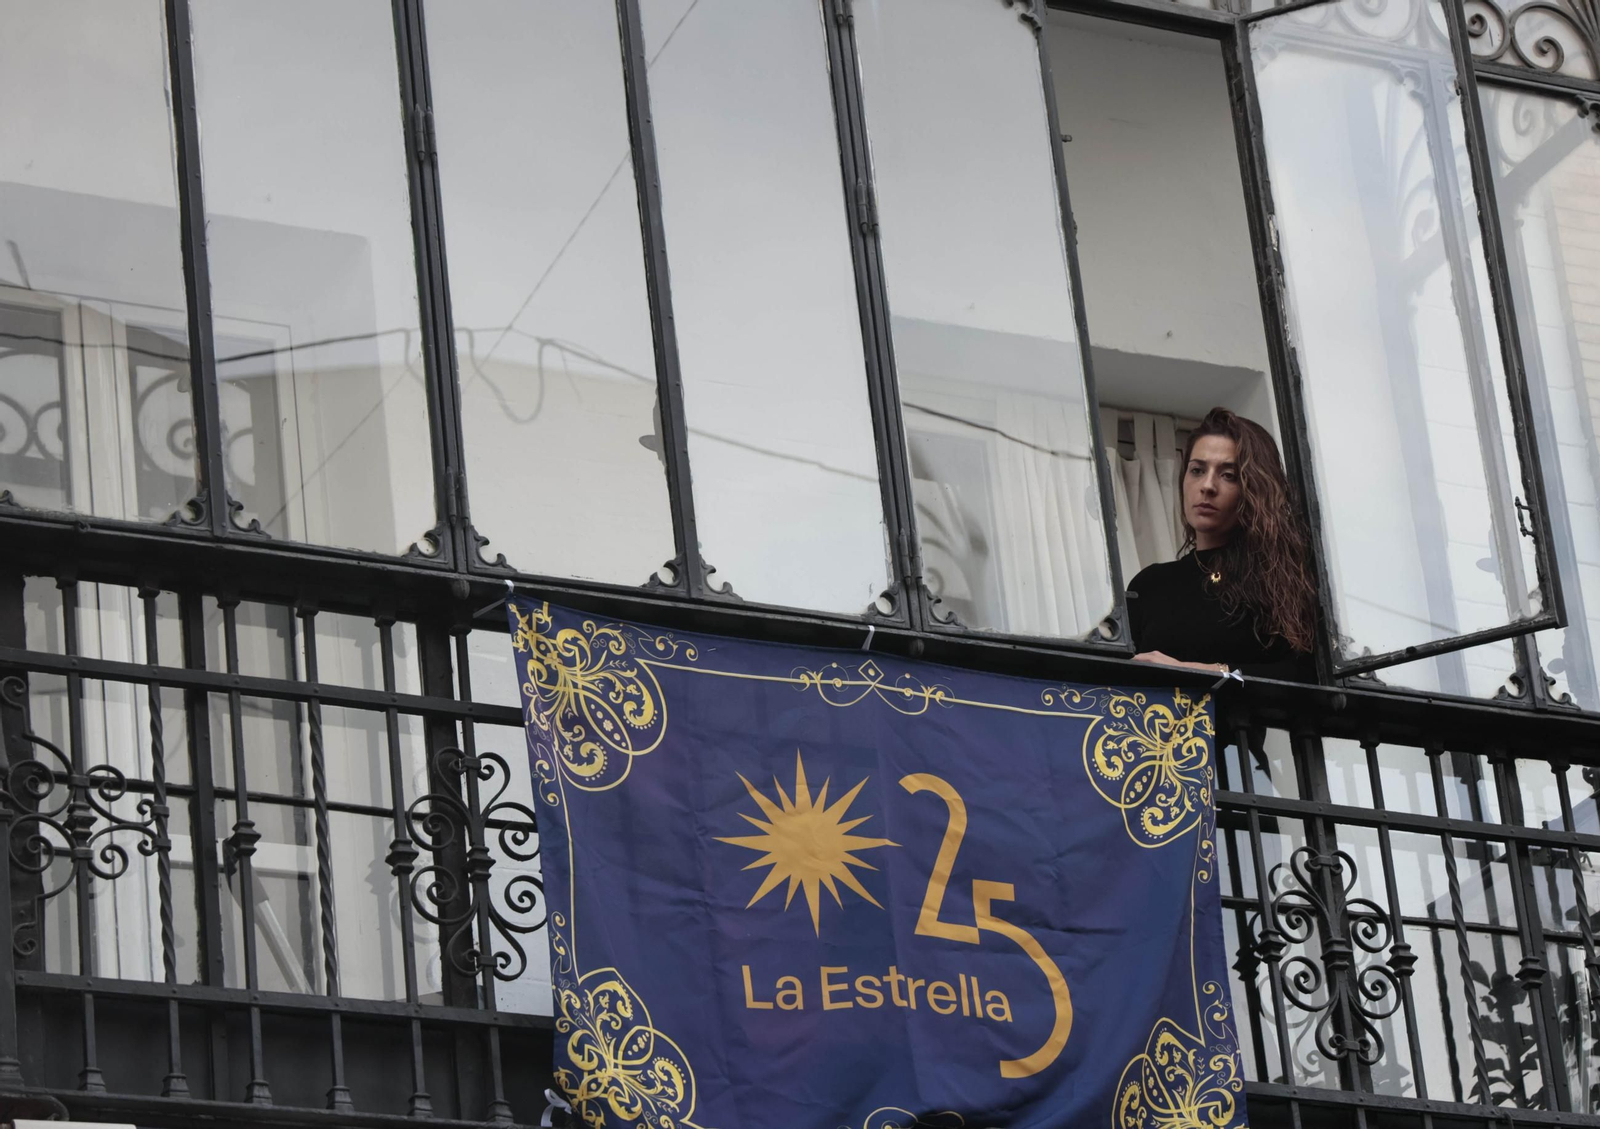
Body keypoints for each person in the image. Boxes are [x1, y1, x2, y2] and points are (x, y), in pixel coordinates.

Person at [1127, 407, 1317, 681]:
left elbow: (1305, 675)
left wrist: (1209, 672)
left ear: (1254, 490)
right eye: (1197, 470)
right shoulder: (1149, 585)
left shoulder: (1281, 583)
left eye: (1228, 475)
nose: (1207, 486)